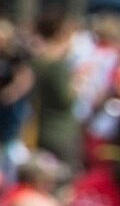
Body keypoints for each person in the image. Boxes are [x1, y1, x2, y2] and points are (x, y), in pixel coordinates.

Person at [26, 13, 84, 173]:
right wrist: (77, 85)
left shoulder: (39, 59)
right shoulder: (57, 64)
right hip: (61, 131)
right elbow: (65, 99)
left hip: (43, 128)